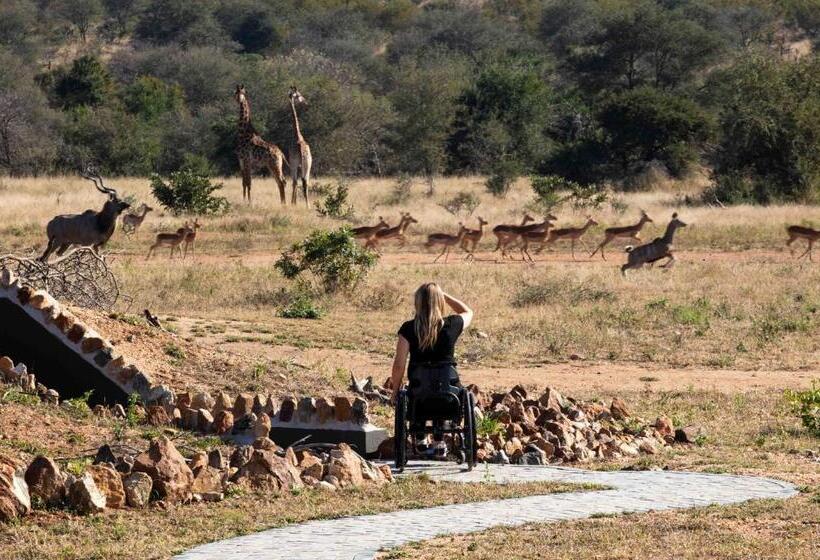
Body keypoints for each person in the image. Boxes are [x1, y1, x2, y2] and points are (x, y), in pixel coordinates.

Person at [389, 283, 474, 403]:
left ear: (417, 302)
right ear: (440, 301)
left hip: (418, 395)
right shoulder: (452, 325)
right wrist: (443, 296)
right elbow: (468, 312)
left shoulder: (408, 328)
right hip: (450, 395)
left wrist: (395, 392)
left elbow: (399, 365)